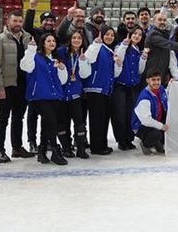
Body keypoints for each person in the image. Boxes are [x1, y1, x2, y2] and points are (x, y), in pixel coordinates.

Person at [20, 34, 69, 165]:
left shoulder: (55, 59)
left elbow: (63, 80)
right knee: (52, 120)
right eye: (48, 40)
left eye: (53, 41)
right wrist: (30, 50)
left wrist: (62, 69)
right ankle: (54, 149)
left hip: (54, 96)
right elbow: (25, 66)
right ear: (43, 43)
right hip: (38, 96)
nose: (51, 43)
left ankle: (42, 152)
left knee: (47, 123)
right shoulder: (35, 56)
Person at [0, 11, 34, 162]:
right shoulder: (0, 39)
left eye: (19, 21)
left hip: (23, 85)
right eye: (15, 21)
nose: (17, 24)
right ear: (8, 22)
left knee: (18, 117)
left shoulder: (28, 38)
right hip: (7, 85)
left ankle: (17, 147)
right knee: (2, 118)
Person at [83, 25, 123, 155]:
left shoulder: (110, 51)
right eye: (107, 34)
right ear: (101, 34)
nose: (109, 37)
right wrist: (95, 43)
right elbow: (88, 58)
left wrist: (118, 64)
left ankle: (102, 144)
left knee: (104, 119)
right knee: (97, 119)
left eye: (112, 35)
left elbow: (114, 74)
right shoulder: (97, 46)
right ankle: (96, 147)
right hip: (95, 89)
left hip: (106, 90)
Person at [56, 30, 91, 159]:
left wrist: (82, 61)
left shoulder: (83, 55)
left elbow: (85, 74)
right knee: (62, 123)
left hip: (76, 95)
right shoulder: (61, 52)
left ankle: (81, 148)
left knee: (79, 122)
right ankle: (66, 148)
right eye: (74, 38)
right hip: (62, 95)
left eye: (79, 38)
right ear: (70, 40)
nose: (76, 40)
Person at [112, 27, 147, 151]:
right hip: (120, 85)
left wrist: (143, 58)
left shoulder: (138, 50)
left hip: (132, 86)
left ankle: (129, 139)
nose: (137, 36)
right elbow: (118, 59)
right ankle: (121, 140)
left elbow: (139, 70)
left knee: (130, 114)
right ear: (130, 34)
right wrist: (123, 45)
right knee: (120, 114)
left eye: (140, 35)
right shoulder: (120, 46)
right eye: (135, 34)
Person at [132, 69, 168, 155]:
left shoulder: (161, 89)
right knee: (157, 134)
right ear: (147, 81)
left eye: (158, 79)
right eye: (153, 80)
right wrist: (162, 126)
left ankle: (156, 142)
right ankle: (145, 144)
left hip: (155, 121)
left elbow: (169, 95)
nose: (156, 82)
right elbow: (146, 121)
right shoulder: (144, 98)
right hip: (141, 126)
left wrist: (172, 84)